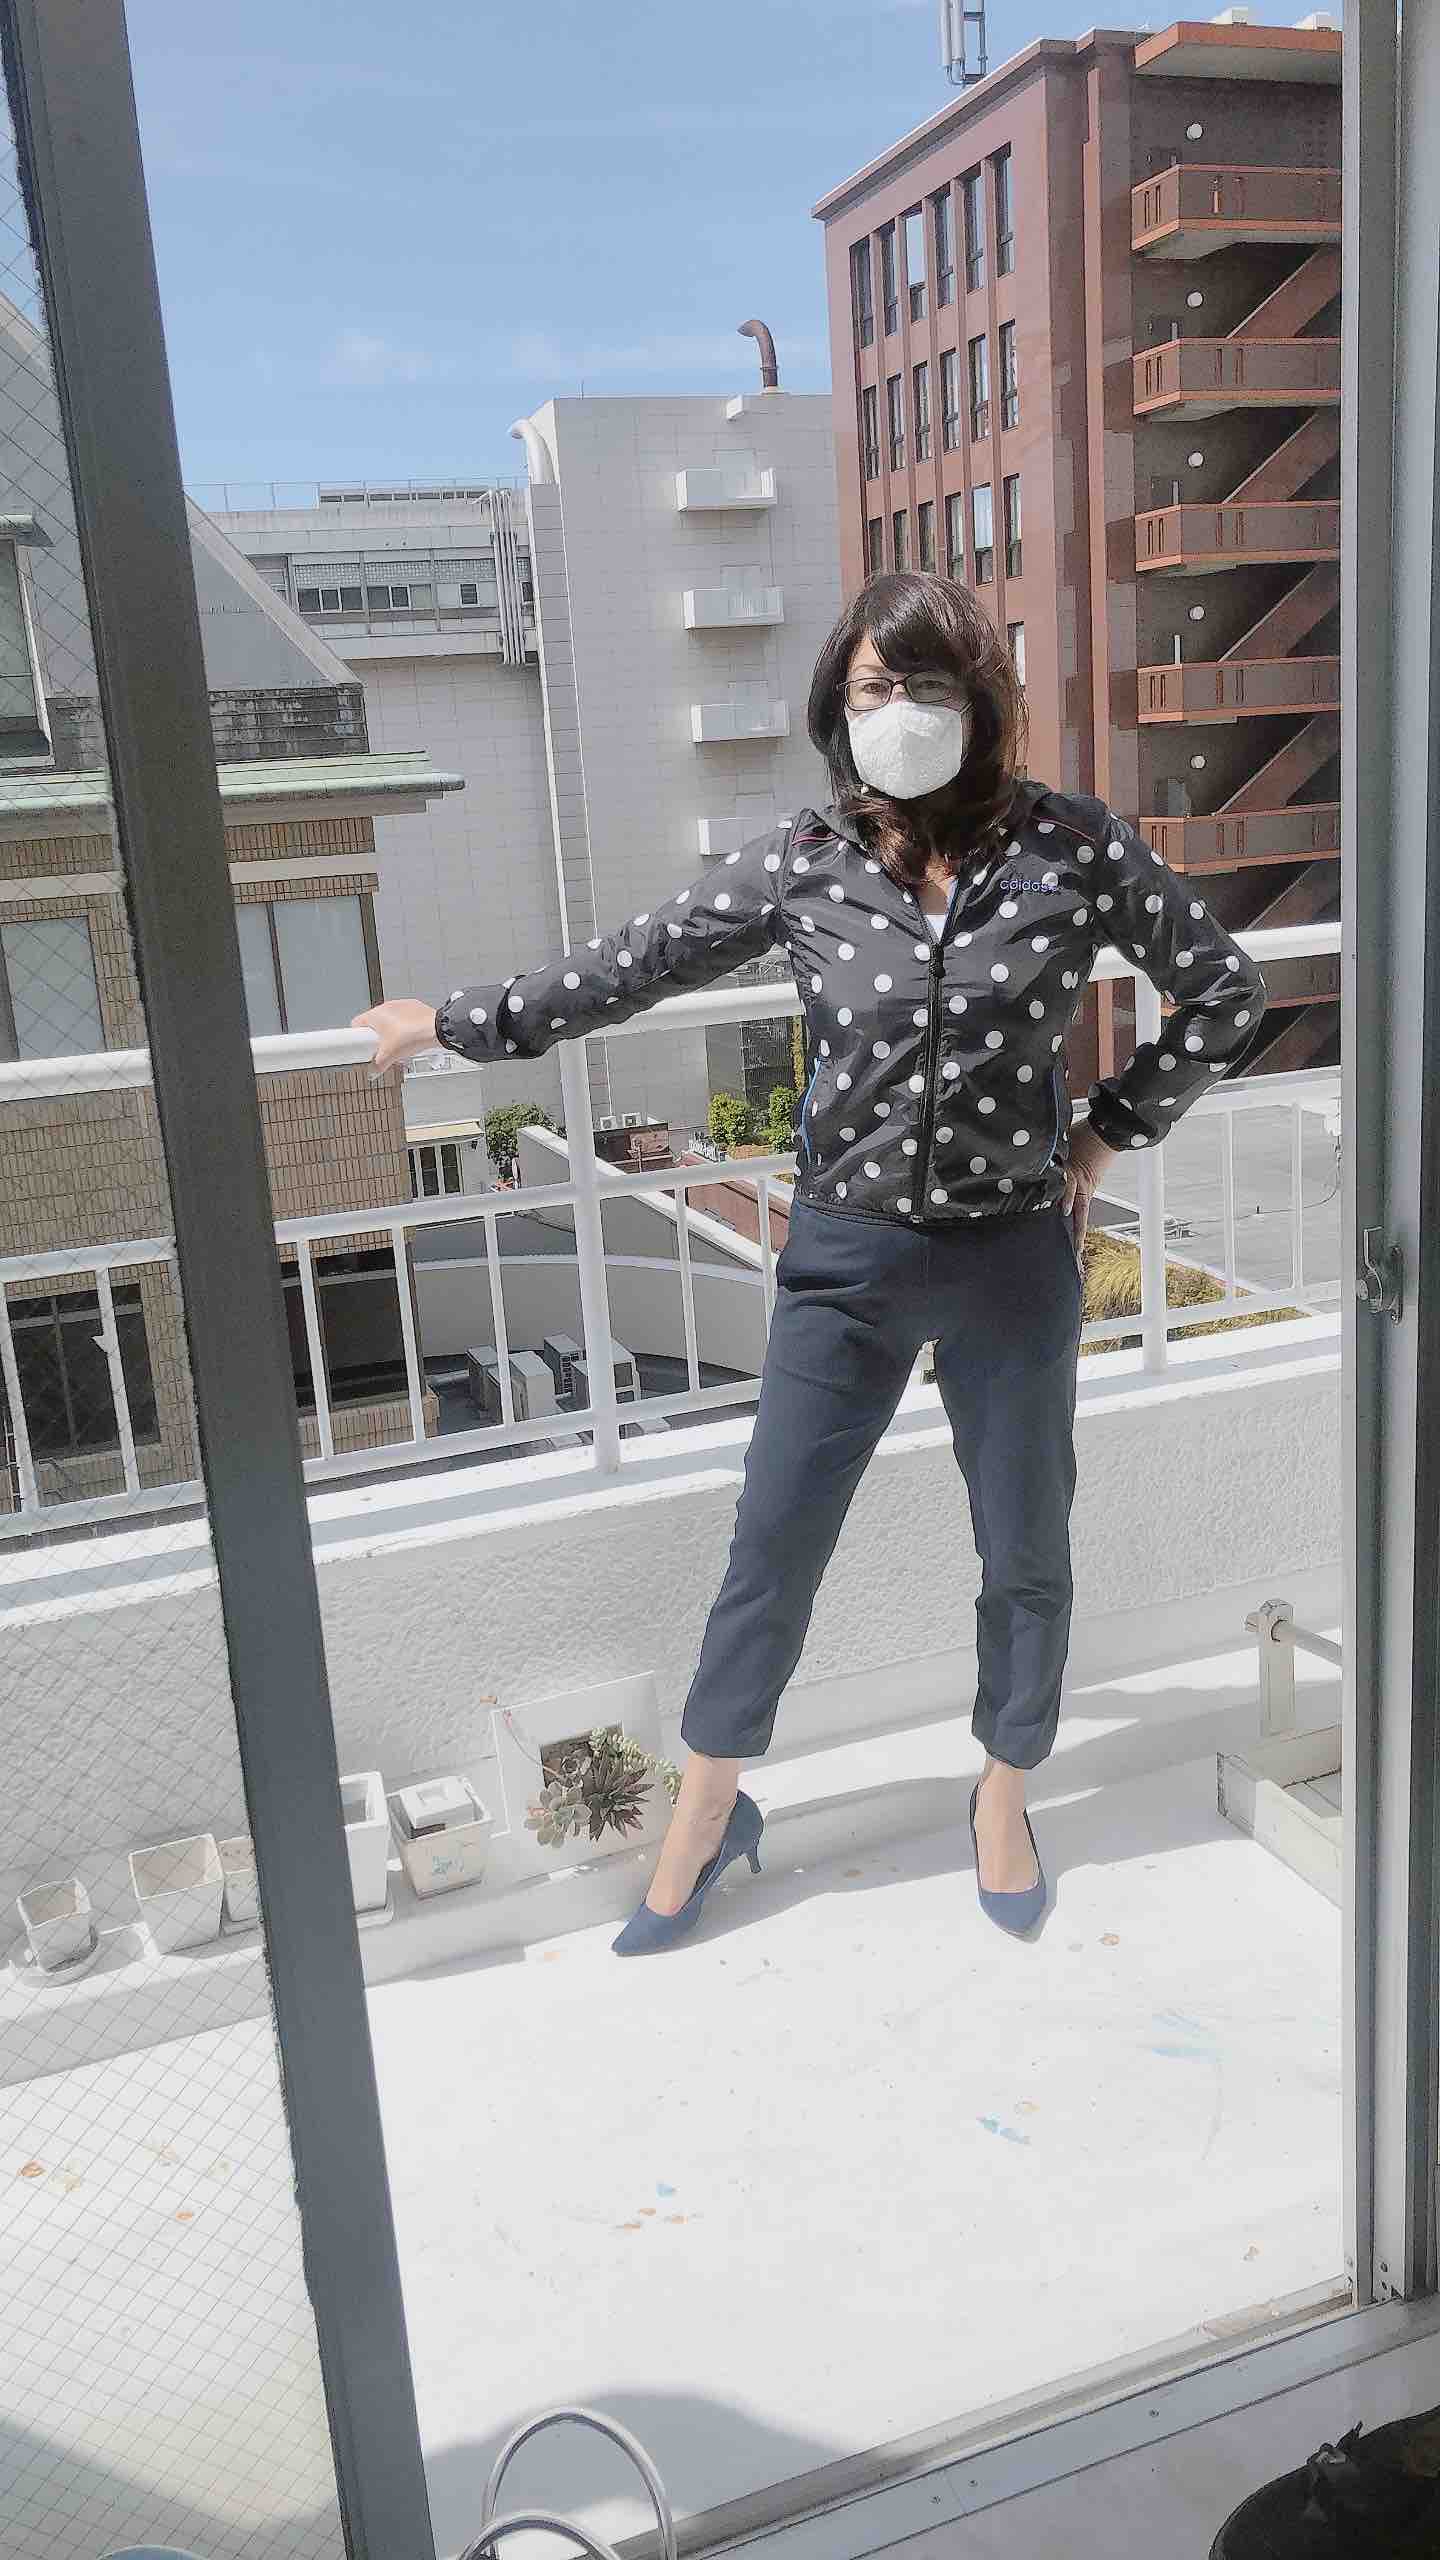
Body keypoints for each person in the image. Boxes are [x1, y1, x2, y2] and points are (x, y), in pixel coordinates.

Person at [356, 570, 1268, 1955]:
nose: (900, 711)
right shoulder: (807, 857)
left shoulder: (1072, 847)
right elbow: (636, 962)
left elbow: (1223, 994)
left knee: (1026, 1546)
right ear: (839, 709)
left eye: (927, 684)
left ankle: (1003, 1795)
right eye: (873, 688)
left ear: (983, 699)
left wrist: (1104, 1134)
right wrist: (459, 1024)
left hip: (1014, 1257)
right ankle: (708, 1815)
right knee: (772, 1547)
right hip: (846, 1259)